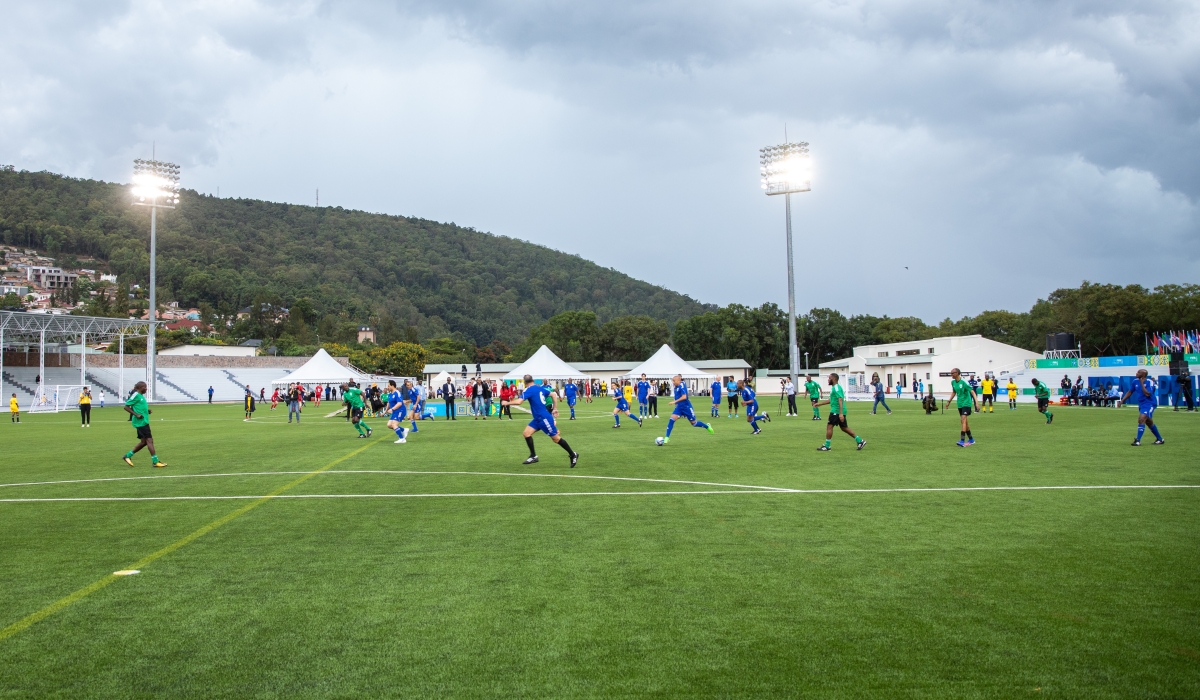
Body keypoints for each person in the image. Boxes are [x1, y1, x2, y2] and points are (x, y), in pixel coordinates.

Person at [502, 375, 578, 467]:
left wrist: (507, 403)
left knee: (556, 439)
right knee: (526, 433)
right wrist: (555, 408)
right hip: (538, 418)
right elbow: (553, 394)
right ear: (533, 380)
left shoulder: (528, 390)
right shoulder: (539, 388)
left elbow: (519, 402)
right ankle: (533, 456)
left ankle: (573, 454)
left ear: (525, 383)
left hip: (544, 418)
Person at [813, 372, 865, 451]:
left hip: (836, 411)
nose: (828, 380)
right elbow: (831, 400)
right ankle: (860, 441)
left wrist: (840, 413)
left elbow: (840, 399)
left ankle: (827, 446)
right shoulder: (835, 388)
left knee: (829, 426)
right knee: (844, 428)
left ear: (834, 379)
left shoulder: (836, 387)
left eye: (829, 378)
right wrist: (820, 404)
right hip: (839, 411)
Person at [122, 381, 166, 467]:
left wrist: (147, 411)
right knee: (149, 440)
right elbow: (126, 406)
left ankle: (127, 456)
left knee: (143, 442)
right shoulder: (135, 395)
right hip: (140, 422)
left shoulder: (141, 396)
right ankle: (155, 461)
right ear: (140, 388)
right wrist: (136, 414)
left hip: (144, 421)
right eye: (145, 387)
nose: (146, 388)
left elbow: (139, 406)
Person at [661, 374, 714, 444]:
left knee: (694, 423)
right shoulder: (675, 386)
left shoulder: (682, 385)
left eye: (674, 381)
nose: (673, 382)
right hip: (679, 408)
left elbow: (684, 397)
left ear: (678, 380)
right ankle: (666, 438)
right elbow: (676, 396)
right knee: (671, 420)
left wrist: (674, 402)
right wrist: (676, 404)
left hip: (687, 407)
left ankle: (707, 426)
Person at [1121, 369, 1164, 446]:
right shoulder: (1135, 381)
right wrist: (1122, 400)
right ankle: (1160, 439)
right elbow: (1130, 391)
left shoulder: (1149, 382)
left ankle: (1137, 440)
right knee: (1148, 422)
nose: (1136, 373)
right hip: (1142, 404)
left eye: (1139, 372)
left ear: (1144, 374)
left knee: (1142, 418)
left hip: (1150, 403)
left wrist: (1141, 383)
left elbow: (1147, 393)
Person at [948, 368, 979, 446]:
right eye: (951, 373)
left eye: (953, 373)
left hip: (966, 403)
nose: (951, 375)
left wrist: (977, 403)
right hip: (960, 404)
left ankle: (962, 440)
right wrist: (949, 401)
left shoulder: (964, 382)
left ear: (958, 373)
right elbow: (954, 392)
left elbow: (972, 391)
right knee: (964, 422)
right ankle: (971, 439)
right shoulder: (953, 382)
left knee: (963, 419)